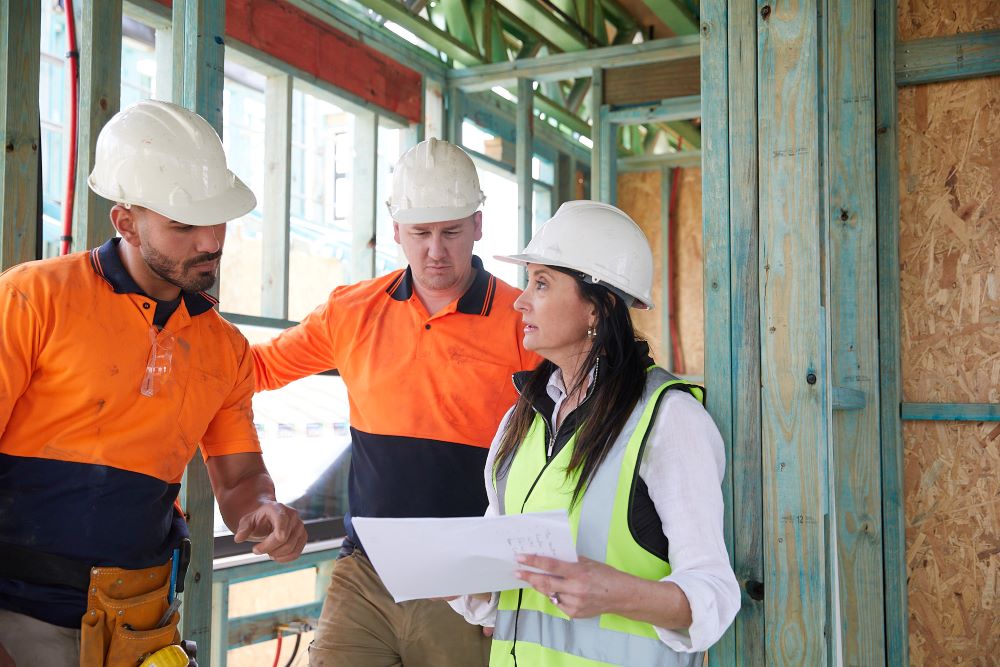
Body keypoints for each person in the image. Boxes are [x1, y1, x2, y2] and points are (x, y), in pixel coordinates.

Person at [0, 99, 308, 667]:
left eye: (216, 218)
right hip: (21, 617)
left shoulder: (225, 349)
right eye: (183, 225)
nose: (209, 240)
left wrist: (263, 509)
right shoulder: (33, 298)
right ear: (126, 224)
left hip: (141, 626)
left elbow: (239, 478)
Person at [251, 137, 542, 667]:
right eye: (420, 233)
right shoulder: (351, 313)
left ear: (477, 225)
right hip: (364, 573)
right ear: (396, 233)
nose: (436, 250)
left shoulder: (524, 322)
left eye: (451, 231)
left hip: (469, 583)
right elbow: (256, 369)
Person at [449, 200, 741, 666]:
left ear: (598, 309)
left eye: (541, 283)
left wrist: (617, 593)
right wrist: (461, 577)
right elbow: (500, 585)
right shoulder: (519, 421)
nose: (520, 300)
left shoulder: (668, 420)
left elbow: (714, 596)